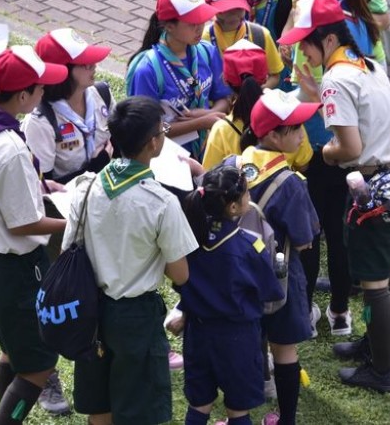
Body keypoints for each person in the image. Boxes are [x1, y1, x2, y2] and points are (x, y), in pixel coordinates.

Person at [281, 0, 390, 395]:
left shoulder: (336, 80)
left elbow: (350, 149)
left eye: (306, 41)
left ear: (326, 40)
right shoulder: (367, 64)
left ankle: (382, 370)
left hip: (374, 185)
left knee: (374, 282)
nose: (302, 50)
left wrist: (324, 153)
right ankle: (376, 344)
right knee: (388, 265)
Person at [266, 0, 380, 337]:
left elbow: (308, 89)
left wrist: (283, 104)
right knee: (340, 231)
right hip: (355, 152)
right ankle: (340, 314)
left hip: (321, 148)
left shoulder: (316, 28)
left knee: (310, 233)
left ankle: (310, 311)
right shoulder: (351, 22)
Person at [63, 96, 199, 425]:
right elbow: (180, 274)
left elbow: (70, 245)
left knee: (100, 402)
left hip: (90, 311)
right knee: (139, 407)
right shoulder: (161, 202)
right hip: (135, 317)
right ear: (154, 143)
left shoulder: (86, 186)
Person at [0, 46, 70, 424]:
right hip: (16, 266)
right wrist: (73, 222)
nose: (45, 93)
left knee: (12, 351)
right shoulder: (9, 149)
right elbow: (22, 225)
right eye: (40, 88)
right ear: (23, 96)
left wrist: (40, 186)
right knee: (37, 367)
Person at [175, 164, 285, 425]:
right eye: (246, 194)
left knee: (199, 404)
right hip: (237, 338)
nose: (249, 198)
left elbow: (180, 282)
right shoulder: (248, 246)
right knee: (237, 409)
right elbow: (269, 291)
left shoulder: (188, 240)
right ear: (233, 207)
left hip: (198, 334)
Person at [236, 89, 321, 425]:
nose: (302, 135)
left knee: (246, 337)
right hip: (280, 276)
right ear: (273, 134)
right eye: (296, 129)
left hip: (239, 271)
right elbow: (303, 241)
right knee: (284, 349)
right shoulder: (291, 183)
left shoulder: (235, 164)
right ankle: (286, 419)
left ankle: (247, 400)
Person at [126, 0, 232, 159]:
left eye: (202, 20)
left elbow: (224, 99)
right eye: (192, 23)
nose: (200, 28)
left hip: (208, 151)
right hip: (167, 160)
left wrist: (207, 113)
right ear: (169, 26)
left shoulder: (206, 52)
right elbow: (149, 131)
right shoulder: (148, 70)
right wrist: (200, 123)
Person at [201, 40, 311, 174]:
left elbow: (209, 175)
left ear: (225, 80)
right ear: (265, 77)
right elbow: (303, 164)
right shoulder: (287, 111)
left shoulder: (221, 130)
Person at [25, 28, 114, 184]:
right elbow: (42, 189)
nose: (94, 65)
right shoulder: (41, 122)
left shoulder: (102, 94)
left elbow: (125, 138)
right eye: (85, 63)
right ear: (62, 72)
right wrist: (95, 168)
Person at [203, 0, 284, 90]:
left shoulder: (260, 35)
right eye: (226, 9)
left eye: (238, 8)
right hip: (216, 107)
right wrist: (198, 91)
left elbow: (275, 75)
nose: (233, 15)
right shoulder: (203, 39)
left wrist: (253, 93)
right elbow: (192, 78)